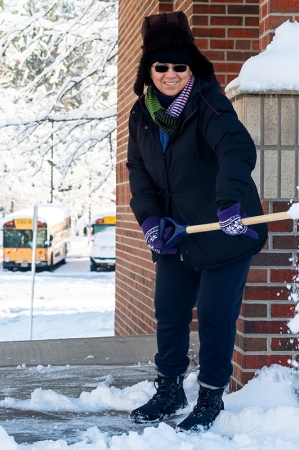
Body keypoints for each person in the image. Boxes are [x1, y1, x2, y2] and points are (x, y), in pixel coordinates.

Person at [126, 11, 268, 432]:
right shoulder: (141, 114)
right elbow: (139, 172)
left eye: (179, 66)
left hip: (226, 230)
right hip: (178, 234)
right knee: (169, 311)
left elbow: (235, 147)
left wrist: (230, 202)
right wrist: (150, 219)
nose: (170, 74)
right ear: (149, 70)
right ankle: (169, 388)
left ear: (192, 68)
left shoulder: (208, 102)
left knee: (213, 314)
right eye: (161, 66)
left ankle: (210, 395)